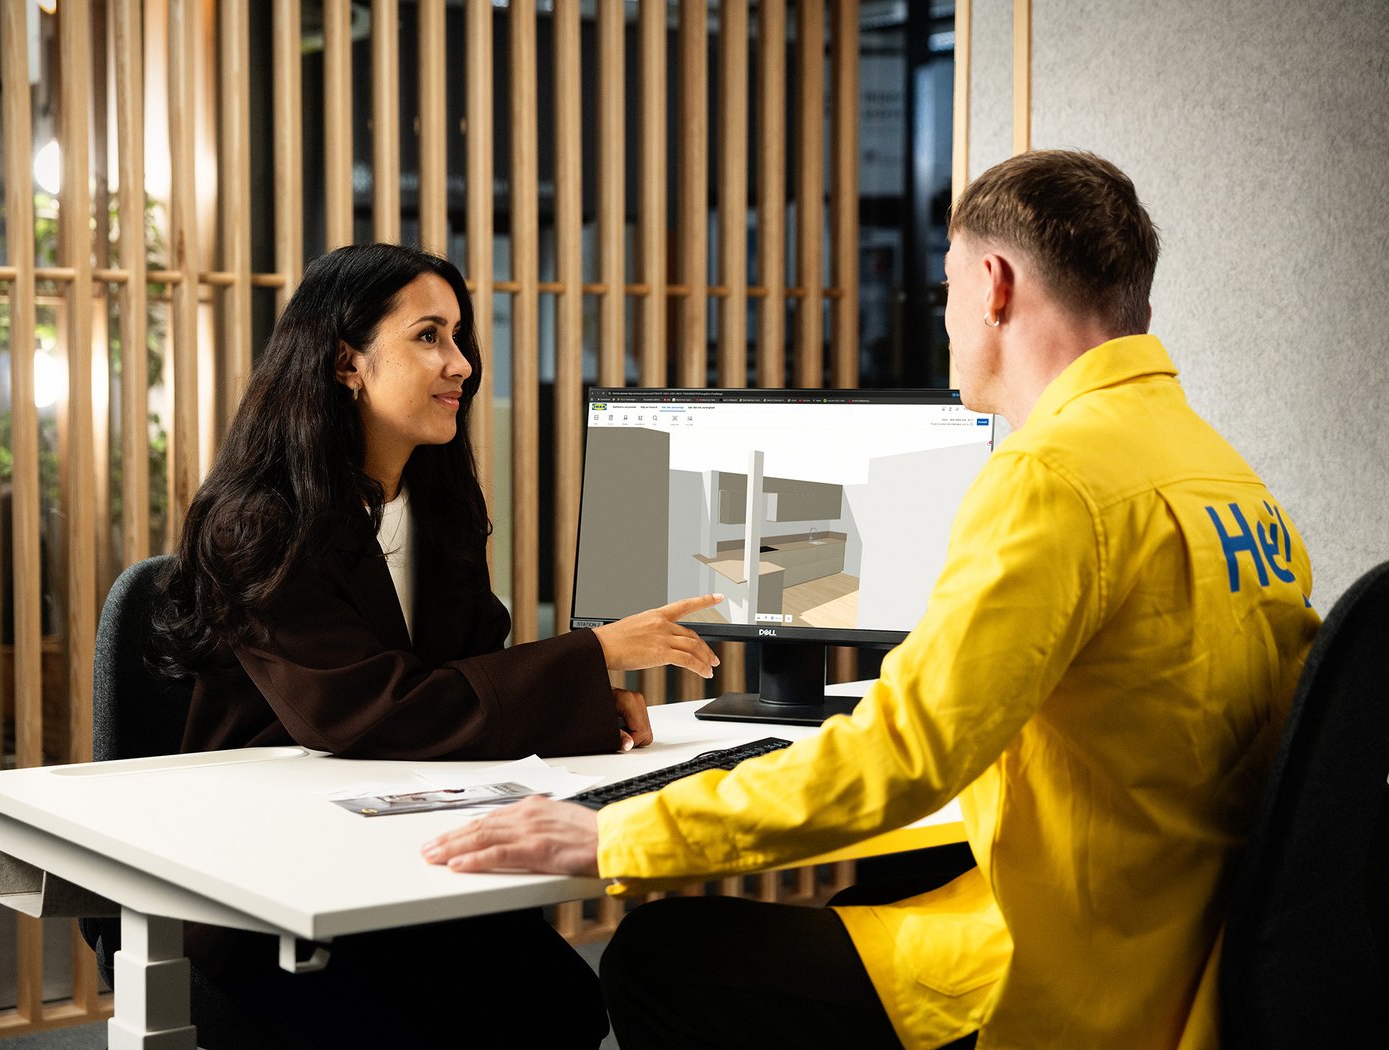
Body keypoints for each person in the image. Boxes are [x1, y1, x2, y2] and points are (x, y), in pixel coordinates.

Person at [419, 150, 1322, 1050]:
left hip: (1075, 976)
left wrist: (615, 836)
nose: (950, 322)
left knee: (660, 955)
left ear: (994, 285)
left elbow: (903, 756)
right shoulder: (1221, 471)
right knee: (857, 901)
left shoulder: (1053, 476)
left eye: (947, 291)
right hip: (1193, 951)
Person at [151, 242, 722, 1049]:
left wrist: (582, 706)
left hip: (400, 848)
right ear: (347, 363)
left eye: (459, 337)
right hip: (273, 882)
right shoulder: (259, 523)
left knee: (559, 1003)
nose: (461, 364)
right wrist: (590, 660)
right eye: (429, 337)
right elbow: (365, 713)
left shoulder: (437, 502)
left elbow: (469, 670)